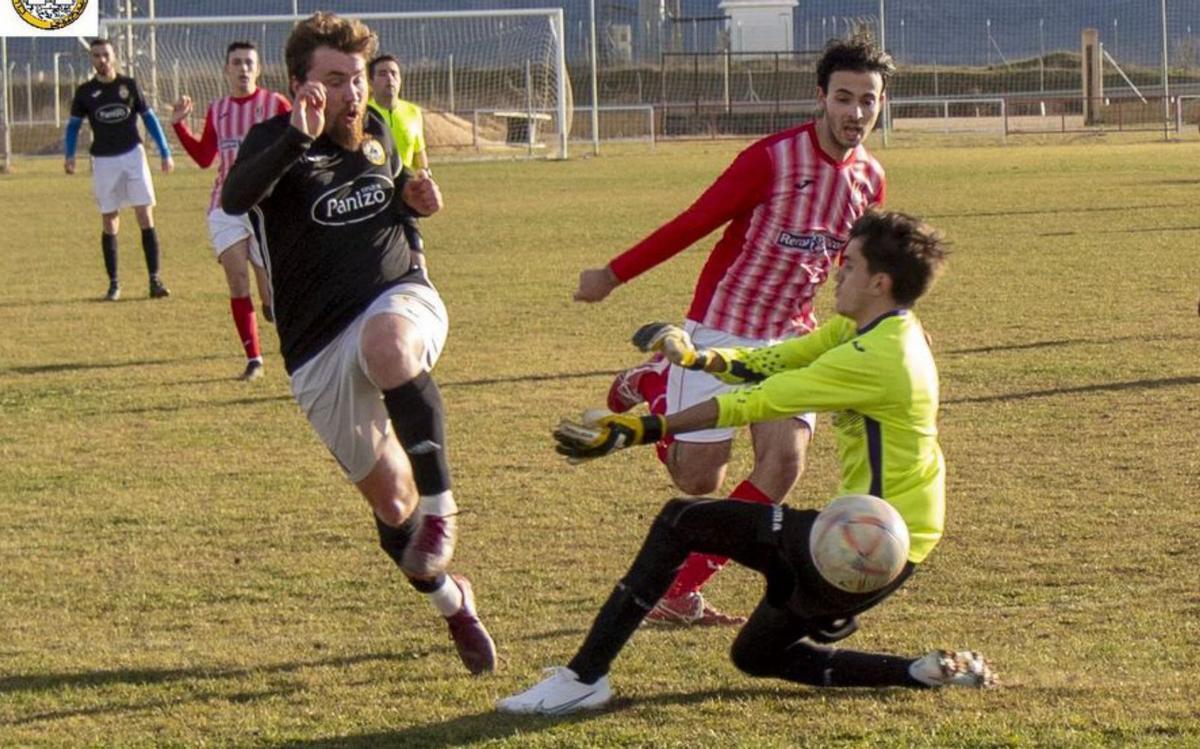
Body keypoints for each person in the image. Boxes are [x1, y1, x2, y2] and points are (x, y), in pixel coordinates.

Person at [498, 210, 995, 715]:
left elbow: (757, 400)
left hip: (871, 542)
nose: (836, 273)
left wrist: (645, 428)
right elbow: (778, 359)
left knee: (681, 521)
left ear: (879, 283)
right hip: (890, 533)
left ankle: (583, 679)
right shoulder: (872, 328)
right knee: (756, 655)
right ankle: (920, 672)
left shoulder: (877, 356)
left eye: (849, 265)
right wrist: (698, 359)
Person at [572, 34, 894, 626]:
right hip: (721, 329)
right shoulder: (771, 159)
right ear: (821, 96)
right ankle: (653, 382)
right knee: (699, 480)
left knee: (783, 465)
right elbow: (695, 222)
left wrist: (895, 320)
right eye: (844, 98)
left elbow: (867, 263)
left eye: (867, 100)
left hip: (791, 340)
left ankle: (678, 592)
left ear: (881, 103)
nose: (855, 113)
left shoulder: (871, 179)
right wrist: (612, 275)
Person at [221, 12, 495, 674]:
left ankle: (442, 510)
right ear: (300, 85)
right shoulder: (273, 140)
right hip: (317, 348)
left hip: (398, 298)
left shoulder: (374, 128)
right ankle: (451, 600)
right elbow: (235, 198)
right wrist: (297, 135)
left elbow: (395, 199)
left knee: (389, 345)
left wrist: (415, 202)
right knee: (392, 506)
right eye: (336, 80)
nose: (353, 93)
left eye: (358, 78)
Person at [171, 41, 291, 381]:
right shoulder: (218, 109)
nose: (243, 69)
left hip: (266, 207)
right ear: (226, 70)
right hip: (225, 206)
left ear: (259, 69)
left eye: (249, 63)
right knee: (237, 281)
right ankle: (254, 360)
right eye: (236, 63)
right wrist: (179, 126)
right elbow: (204, 158)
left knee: (270, 291)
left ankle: (274, 312)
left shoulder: (276, 105)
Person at [65, 38, 173, 302]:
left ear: (114, 56)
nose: (102, 59)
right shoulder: (85, 92)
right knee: (110, 219)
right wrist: (69, 155)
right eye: (96, 55)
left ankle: (155, 280)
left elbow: (149, 119)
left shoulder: (129, 85)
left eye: (105, 54)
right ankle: (114, 285)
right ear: (91, 59)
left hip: (133, 156)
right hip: (103, 160)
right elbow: (73, 126)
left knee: (145, 215)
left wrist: (165, 151)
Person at [366, 53, 427, 255]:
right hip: (374, 192)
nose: (389, 79)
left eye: (394, 73)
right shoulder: (363, 113)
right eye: (382, 74)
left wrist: (425, 174)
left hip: (405, 191)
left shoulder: (413, 112)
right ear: (371, 81)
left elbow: (419, 150)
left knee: (415, 248)